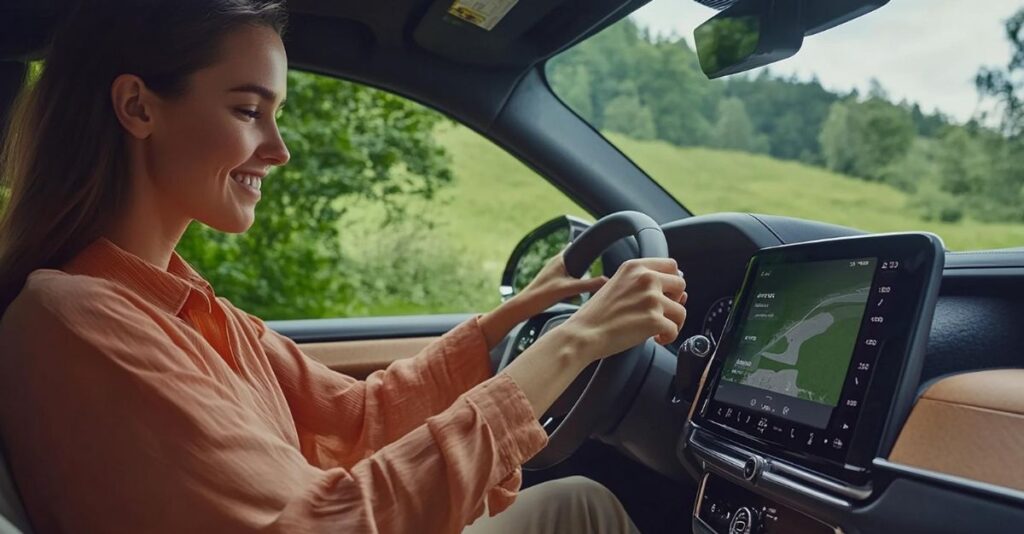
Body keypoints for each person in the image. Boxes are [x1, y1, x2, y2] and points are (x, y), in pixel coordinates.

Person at [0, 1, 688, 532]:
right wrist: (573, 343)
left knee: (577, 504)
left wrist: (515, 319)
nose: (279, 149)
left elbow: (356, 420)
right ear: (137, 107)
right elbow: (328, 523)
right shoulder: (75, 315)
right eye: (248, 110)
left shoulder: (180, 301)